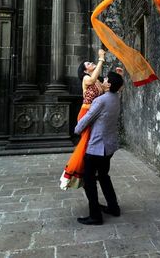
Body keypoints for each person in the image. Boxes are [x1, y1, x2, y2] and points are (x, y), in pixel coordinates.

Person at [74, 71, 124, 225]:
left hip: (96, 147)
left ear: (108, 84)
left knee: (89, 181)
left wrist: (76, 129)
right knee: (103, 176)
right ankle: (113, 207)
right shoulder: (116, 98)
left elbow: (87, 119)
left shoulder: (101, 101)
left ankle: (95, 215)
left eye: (107, 79)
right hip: (109, 146)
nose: (104, 79)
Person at [60, 49, 106, 190]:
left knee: (91, 141)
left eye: (91, 62)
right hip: (86, 112)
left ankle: (87, 168)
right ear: (85, 70)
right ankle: (71, 173)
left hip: (95, 113)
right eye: (88, 63)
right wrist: (101, 59)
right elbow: (92, 79)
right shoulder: (87, 79)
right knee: (85, 141)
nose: (91, 63)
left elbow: (104, 90)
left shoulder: (97, 81)